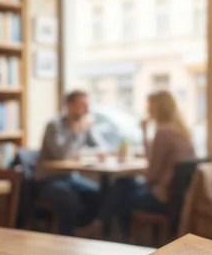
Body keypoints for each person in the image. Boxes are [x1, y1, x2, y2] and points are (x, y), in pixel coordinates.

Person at [87, 91, 196, 238]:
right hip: (177, 198)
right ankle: (102, 228)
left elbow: (152, 174)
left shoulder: (163, 132)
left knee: (118, 192)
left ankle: (113, 235)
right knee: (123, 184)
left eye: (149, 106)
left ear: (156, 108)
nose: (147, 110)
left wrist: (144, 133)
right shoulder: (182, 131)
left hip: (160, 198)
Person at [36, 90, 105, 235]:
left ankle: (81, 229)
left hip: (71, 177)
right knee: (68, 198)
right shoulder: (54, 126)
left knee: (97, 193)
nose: (87, 109)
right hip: (48, 179)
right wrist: (75, 132)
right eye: (83, 105)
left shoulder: (85, 124)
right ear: (70, 105)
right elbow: (62, 155)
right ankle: (65, 236)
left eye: (88, 105)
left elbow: (102, 149)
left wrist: (89, 145)